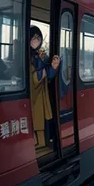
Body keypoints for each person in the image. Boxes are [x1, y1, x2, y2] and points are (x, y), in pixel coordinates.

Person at [29, 25, 60, 154]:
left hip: (42, 91)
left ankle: (42, 142)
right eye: (34, 38)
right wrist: (48, 70)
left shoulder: (40, 55)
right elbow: (33, 76)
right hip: (32, 92)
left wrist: (53, 67)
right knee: (35, 118)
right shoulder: (27, 55)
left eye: (38, 38)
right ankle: (37, 142)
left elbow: (49, 76)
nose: (37, 40)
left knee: (40, 118)